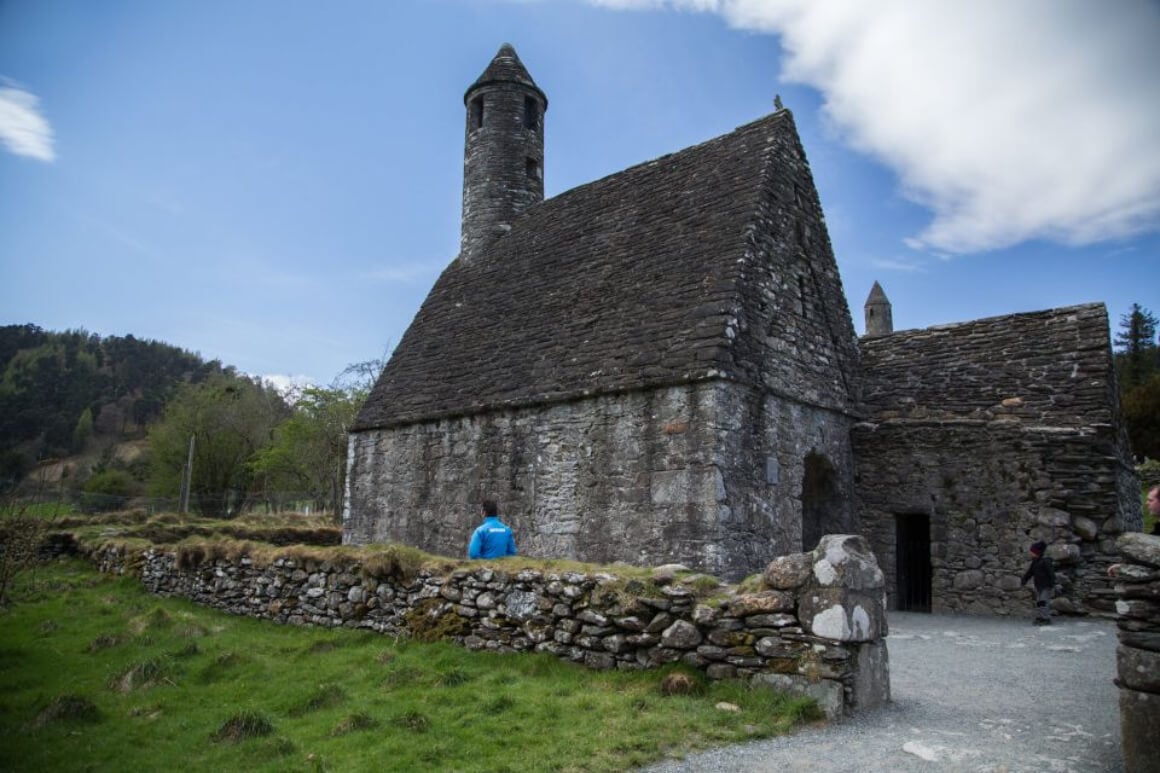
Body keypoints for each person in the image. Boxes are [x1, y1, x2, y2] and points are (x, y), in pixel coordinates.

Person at [1021, 540, 1056, 625]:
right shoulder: (1035, 562)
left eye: (1032, 552)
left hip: (1046, 585)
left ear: (1037, 552)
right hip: (1039, 585)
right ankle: (1041, 616)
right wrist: (1024, 580)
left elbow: (1051, 573)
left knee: (1044, 601)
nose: (1030, 553)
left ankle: (1046, 618)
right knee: (1040, 601)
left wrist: (1052, 583)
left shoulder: (1046, 562)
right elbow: (1030, 572)